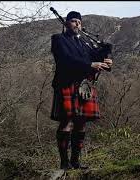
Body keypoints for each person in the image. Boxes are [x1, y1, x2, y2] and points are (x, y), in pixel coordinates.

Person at [50, 11, 113, 170]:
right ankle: (64, 163)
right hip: (67, 83)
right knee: (66, 122)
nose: (77, 23)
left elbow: (95, 57)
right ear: (66, 23)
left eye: (79, 21)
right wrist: (90, 65)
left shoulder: (84, 44)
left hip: (85, 85)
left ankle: (76, 162)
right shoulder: (59, 40)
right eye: (73, 21)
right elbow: (66, 59)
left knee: (81, 123)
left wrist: (106, 57)